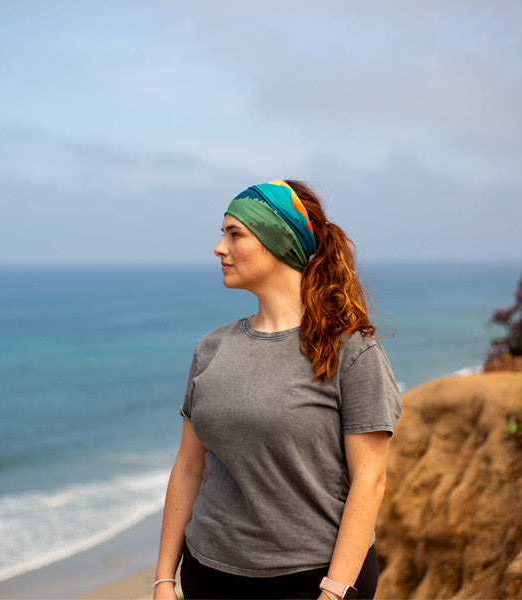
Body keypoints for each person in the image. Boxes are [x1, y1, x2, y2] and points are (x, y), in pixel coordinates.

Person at [154, 180, 401, 600]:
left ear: (278, 243)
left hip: (312, 579)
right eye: (222, 234)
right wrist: (164, 579)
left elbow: (370, 480)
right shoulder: (210, 349)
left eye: (235, 234)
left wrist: (334, 592)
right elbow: (188, 467)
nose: (219, 248)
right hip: (208, 574)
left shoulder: (352, 353)